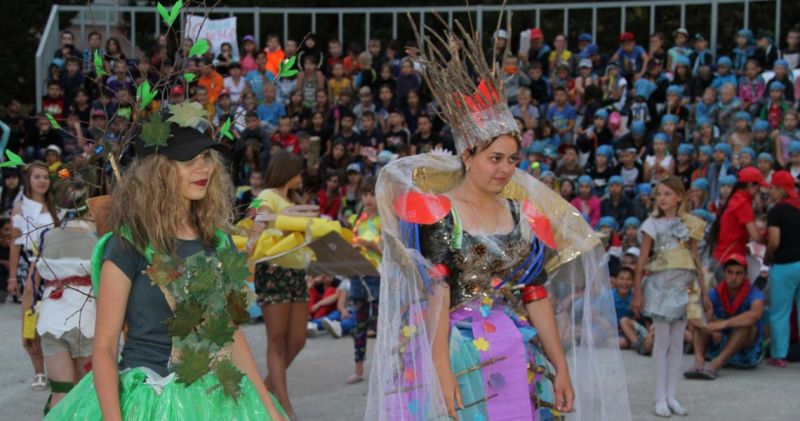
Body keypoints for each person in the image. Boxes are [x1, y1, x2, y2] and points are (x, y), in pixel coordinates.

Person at [367, 18, 630, 421]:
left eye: (512, 159)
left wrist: (561, 367)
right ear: (467, 155)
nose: (506, 169)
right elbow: (438, 293)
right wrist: (441, 370)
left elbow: (535, 294)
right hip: (455, 350)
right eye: (495, 158)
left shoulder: (524, 216)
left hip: (513, 351)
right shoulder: (436, 212)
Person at [44, 117, 286, 420]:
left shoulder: (219, 242)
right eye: (189, 160)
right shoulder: (128, 244)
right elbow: (105, 347)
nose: (204, 168)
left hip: (217, 400)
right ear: (158, 171)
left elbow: (229, 334)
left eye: (206, 157)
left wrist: (268, 408)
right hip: (150, 399)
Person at [632, 175, 708, 417]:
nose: (662, 198)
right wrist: (637, 291)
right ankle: (659, 397)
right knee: (662, 341)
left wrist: (703, 291)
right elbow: (642, 259)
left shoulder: (690, 225)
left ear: (679, 196)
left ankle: (672, 395)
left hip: (685, 284)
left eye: (667, 194)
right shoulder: (651, 224)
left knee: (678, 342)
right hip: (661, 285)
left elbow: (695, 258)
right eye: (659, 194)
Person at [249, 151, 315, 419]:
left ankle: (266, 390)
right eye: (298, 171)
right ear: (288, 171)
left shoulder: (296, 201)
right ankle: (285, 407)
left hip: (296, 273)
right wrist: (255, 238)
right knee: (276, 340)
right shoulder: (267, 195)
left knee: (297, 341)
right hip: (273, 271)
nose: (301, 176)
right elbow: (258, 220)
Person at [21, 185, 97, 414]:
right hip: (87, 321)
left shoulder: (46, 237)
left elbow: (30, 288)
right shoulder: (98, 239)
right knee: (85, 392)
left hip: (51, 321)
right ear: (87, 207)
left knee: (61, 391)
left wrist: (27, 329)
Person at [9, 162, 59, 390]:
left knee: (53, 320)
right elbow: (15, 243)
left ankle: (58, 368)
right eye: (37, 177)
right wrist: (12, 277)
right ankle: (39, 371)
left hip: (53, 269)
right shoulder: (20, 208)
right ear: (28, 180)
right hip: (28, 266)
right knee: (31, 320)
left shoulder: (55, 207)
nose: (42, 181)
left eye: (45, 177)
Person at [684, 254, 765, 379]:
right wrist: (710, 327)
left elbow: (755, 315)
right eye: (730, 272)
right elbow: (693, 316)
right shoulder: (715, 292)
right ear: (724, 274)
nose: (734, 277)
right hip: (719, 342)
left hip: (746, 351)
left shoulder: (754, 293)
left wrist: (723, 324)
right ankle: (699, 362)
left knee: (745, 325)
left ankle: (715, 365)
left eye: (739, 273)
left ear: (745, 275)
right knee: (701, 323)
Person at [345, 176, 381, 384]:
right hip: (357, 275)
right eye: (365, 194)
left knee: (379, 325)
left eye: (372, 194)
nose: (368, 199)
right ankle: (358, 369)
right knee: (358, 325)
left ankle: (384, 368)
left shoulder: (385, 220)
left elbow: (388, 252)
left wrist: (371, 245)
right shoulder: (358, 220)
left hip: (377, 276)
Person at [765, 170, 800, 367]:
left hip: (785, 264)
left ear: (781, 189)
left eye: (773, 187)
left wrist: (768, 254)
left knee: (780, 311)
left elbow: (774, 241)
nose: (770, 191)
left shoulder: (776, 211)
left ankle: (779, 354)